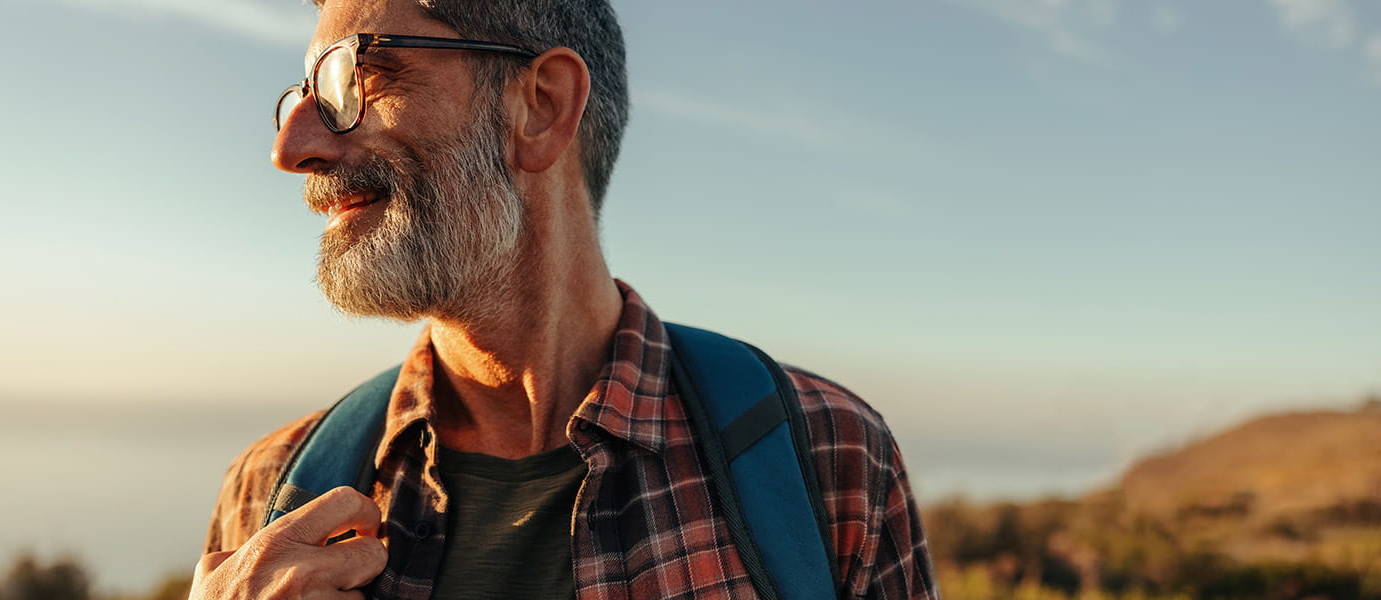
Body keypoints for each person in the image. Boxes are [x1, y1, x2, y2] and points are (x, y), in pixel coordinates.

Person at [191, 1, 937, 598]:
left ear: (542, 106)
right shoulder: (270, 494)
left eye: (357, 75)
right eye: (305, 92)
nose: (291, 148)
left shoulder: (827, 458)